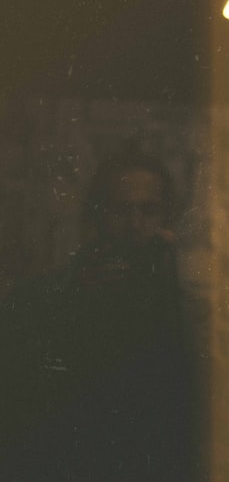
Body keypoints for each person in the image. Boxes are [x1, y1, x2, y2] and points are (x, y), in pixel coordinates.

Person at [0, 146, 206, 481]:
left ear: (166, 217)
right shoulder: (41, 298)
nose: (135, 224)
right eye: (120, 210)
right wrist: (74, 302)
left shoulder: (182, 306)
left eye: (149, 210)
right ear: (97, 214)